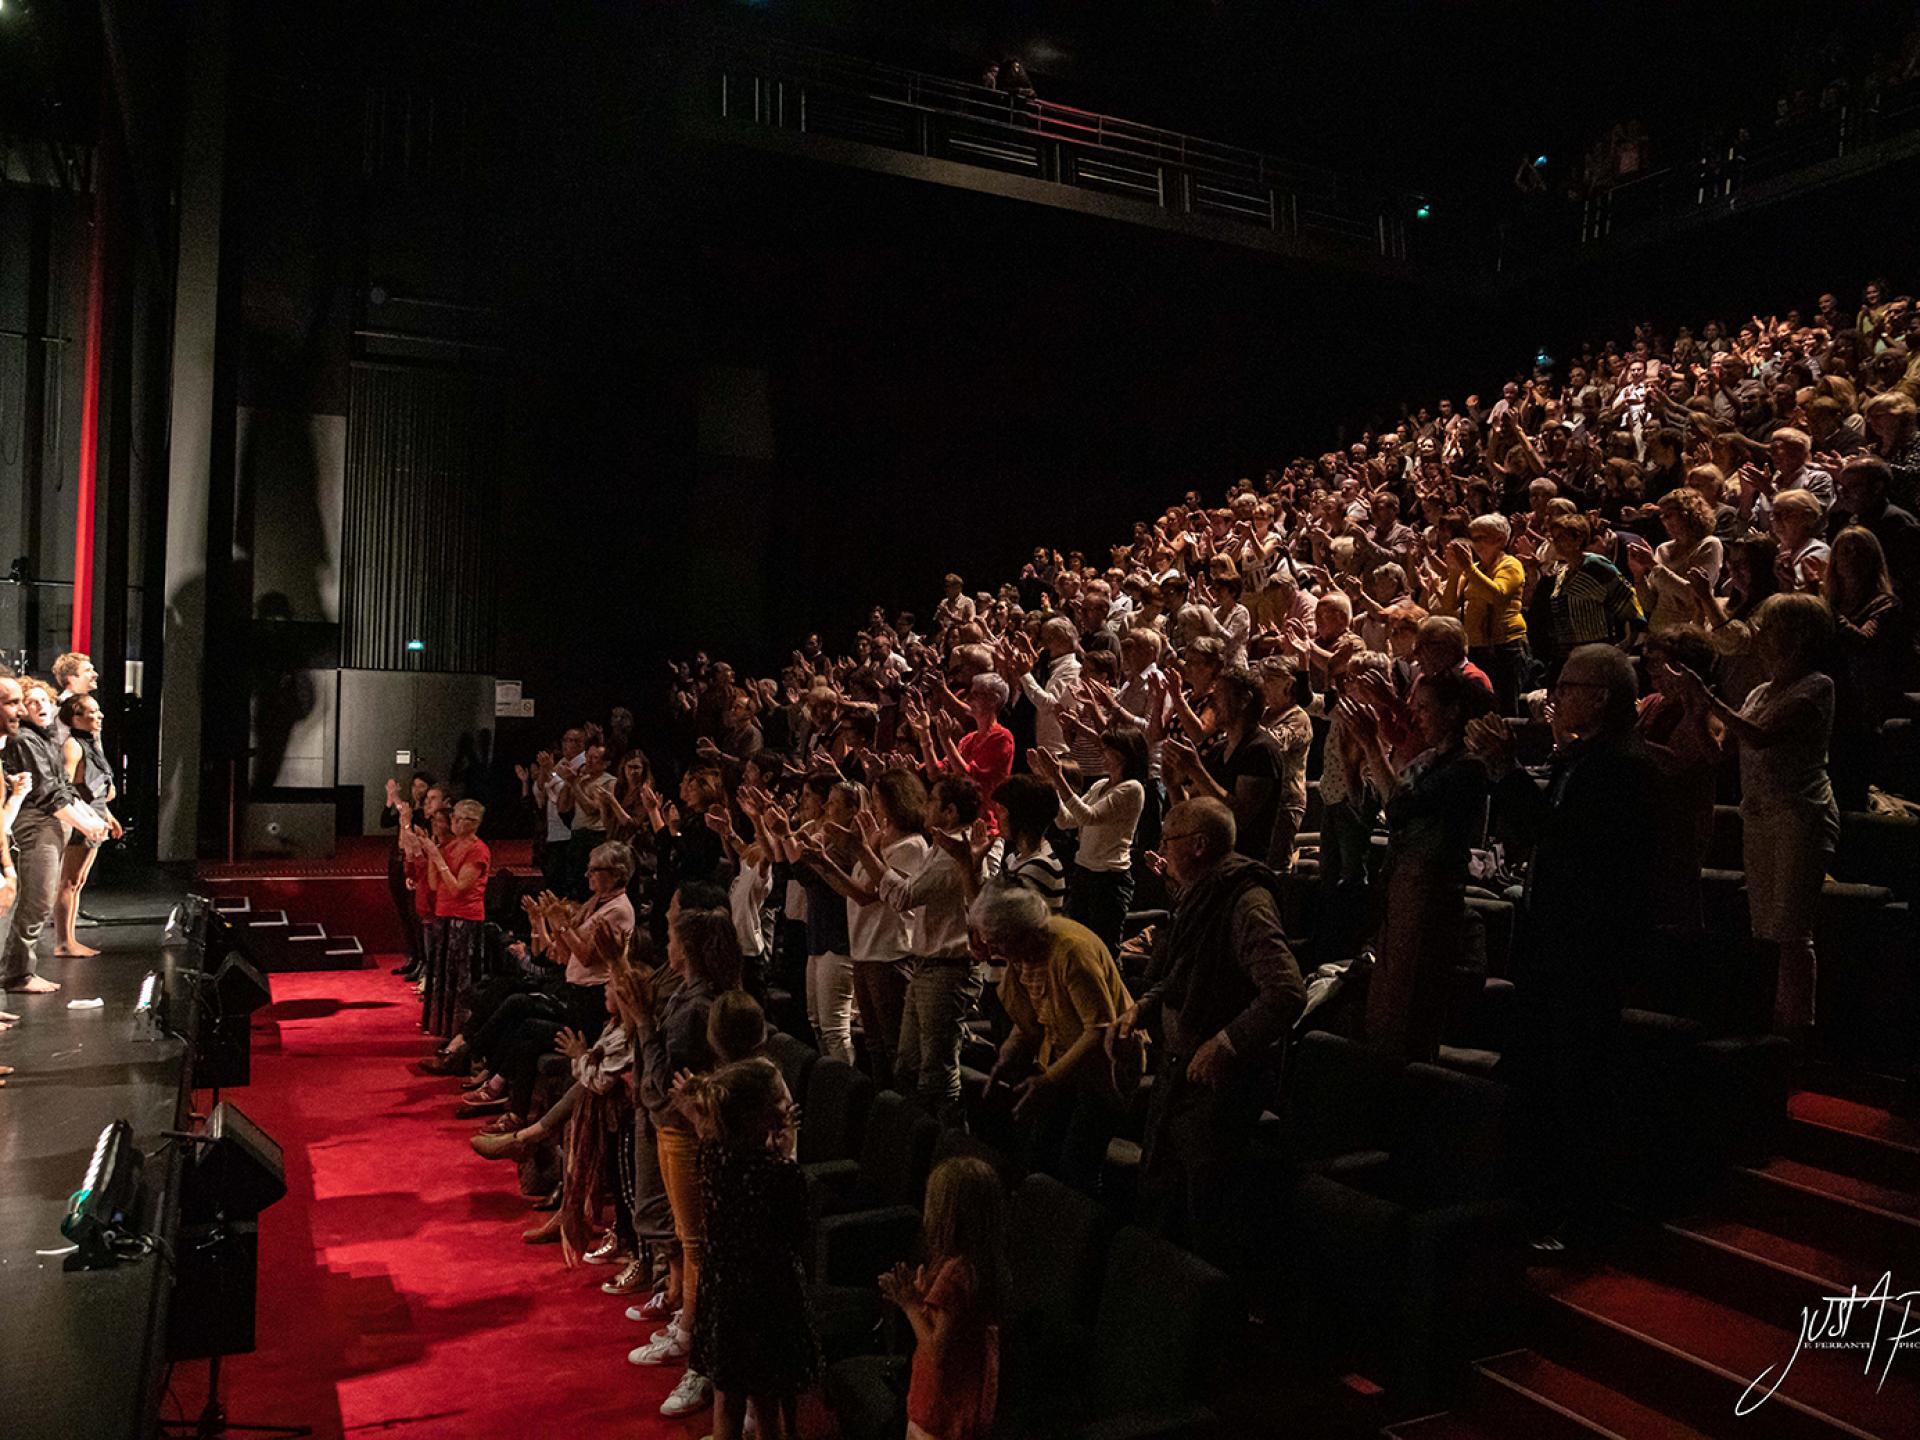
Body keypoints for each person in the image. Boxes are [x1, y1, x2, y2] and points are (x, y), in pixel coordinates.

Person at [1467, 643, 1662, 1250]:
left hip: (1585, 948)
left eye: (1568, 685)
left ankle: (1580, 1219)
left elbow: (1570, 840)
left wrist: (1506, 772)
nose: (1557, 696)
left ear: (1601, 698)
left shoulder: (1619, 766)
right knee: (1548, 1079)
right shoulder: (1586, 757)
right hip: (1558, 943)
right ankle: (1544, 1203)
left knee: (1577, 1084)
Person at [1114, 797, 1306, 1262]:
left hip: (1215, 1086)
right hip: (1180, 1071)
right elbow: (1183, 972)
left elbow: (1285, 990)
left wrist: (1226, 1043)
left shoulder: (1245, 900)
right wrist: (1141, 1008)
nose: (1162, 848)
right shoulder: (1201, 894)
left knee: (1203, 1212)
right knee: (1163, 1196)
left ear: (1199, 845)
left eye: (1168, 840)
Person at [1669, 594, 1839, 1045]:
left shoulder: (1817, 685)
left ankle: (1797, 1031)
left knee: (1790, 930)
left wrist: (1709, 700)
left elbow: (1761, 737)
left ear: (1798, 636)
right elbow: (1720, 752)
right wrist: (1694, 710)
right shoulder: (1761, 691)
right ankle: (1771, 1024)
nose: (1760, 636)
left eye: (1769, 627)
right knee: (1762, 928)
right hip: (1760, 814)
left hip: (1799, 813)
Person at [1342, 668, 1492, 1061]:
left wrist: (1373, 744)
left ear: (1454, 711)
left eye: (1424, 708)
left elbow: (1401, 808)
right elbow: (1373, 803)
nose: (1416, 717)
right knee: (1385, 1005)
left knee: (1408, 1008)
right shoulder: (1433, 759)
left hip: (1429, 898)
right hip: (1404, 888)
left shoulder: (1467, 767)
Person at [628, 904, 742, 1418]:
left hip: (685, 1133)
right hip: (683, 1129)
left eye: (671, 938)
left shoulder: (693, 1006)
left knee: (696, 1245)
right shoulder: (692, 993)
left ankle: (699, 1351)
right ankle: (691, 1332)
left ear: (687, 949)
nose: (665, 946)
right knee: (693, 1242)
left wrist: (643, 1023)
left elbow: (660, 1085)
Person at [676, 1057, 819, 1440]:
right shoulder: (778, 1174)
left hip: (724, 1296)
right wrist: (788, 1153)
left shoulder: (712, 1157)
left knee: (728, 1401)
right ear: (763, 1115)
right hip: (767, 1299)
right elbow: (798, 1232)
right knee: (767, 1407)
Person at [973, 879, 1142, 1192]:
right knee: (1039, 1151)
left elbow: (1099, 1029)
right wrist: (1008, 1052)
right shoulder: (1023, 955)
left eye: (997, 941)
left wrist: (1048, 1082)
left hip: (1106, 1066)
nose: (993, 950)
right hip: (1063, 1061)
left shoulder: (1071, 952)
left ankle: (1083, 1229)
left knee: (1078, 1163)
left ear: (1020, 933)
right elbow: (1035, 1016)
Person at [879, 1155, 1008, 1440]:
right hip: (964, 1398)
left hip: (942, 1404)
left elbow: (937, 1349)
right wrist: (921, 1296)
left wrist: (910, 1304)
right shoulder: (979, 1265)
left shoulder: (955, 1274)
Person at [1, 675, 108, 993]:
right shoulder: (24, 741)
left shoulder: (42, 739)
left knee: (43, 897)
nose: (32, 707)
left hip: (48, 821)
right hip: (37, 823)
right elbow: (49, 793)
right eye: (24, 702)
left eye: (40, 700)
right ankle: (16, 974)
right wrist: (86, 823)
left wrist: (89, 816)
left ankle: (18, 972)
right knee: (37, 900)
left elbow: (62, 786)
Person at [1030, 724, 1147, 954]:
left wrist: (1058, 777)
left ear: (1122, 754)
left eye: (1107, 750)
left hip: (1109, 880)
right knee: (1076, 945)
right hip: (1084, 873)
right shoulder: (1101, 785)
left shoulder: (1132, 789)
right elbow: (1067, 821)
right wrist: (1051, 783)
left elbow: (1089, 816)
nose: (1102, 754)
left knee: (1104, 950)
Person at [54, 693, 122, 957]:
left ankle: (69, 939)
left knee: (78, 880)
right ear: (76, 717)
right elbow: (67, 785)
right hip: (82, 820)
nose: (99, 715)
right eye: (92, 712)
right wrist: (85, 817)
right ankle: (63, 942)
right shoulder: (73, 745)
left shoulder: (91, 743)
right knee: (69, 880)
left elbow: (98, 787)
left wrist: (106, 814)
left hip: (94, 814)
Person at [1441, 514, 1530, 714]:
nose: (1476, 543)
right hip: (1477, 647)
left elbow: (1498, 595)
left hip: (1504, 647)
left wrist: (1469, 568)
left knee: (1505, 708)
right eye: (1474, 538)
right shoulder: (1477, 569)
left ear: (1500, 540)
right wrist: (1455, 572)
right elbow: (1449, 605)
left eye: (1482, 537)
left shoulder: (1510, 565)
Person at [419, 799, 491, 1039]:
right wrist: (433, 853)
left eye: (462, 819)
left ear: (475, 823)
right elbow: (432, 884)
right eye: (455, 818)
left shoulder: (477, 850)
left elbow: (459, 888)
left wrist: (438, 860)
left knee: (461, 975)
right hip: (443, 915)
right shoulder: (449, 846)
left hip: (465, 918)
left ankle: (461, 1031)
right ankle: (440, 1024)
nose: (456, 823)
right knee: (442, 972)